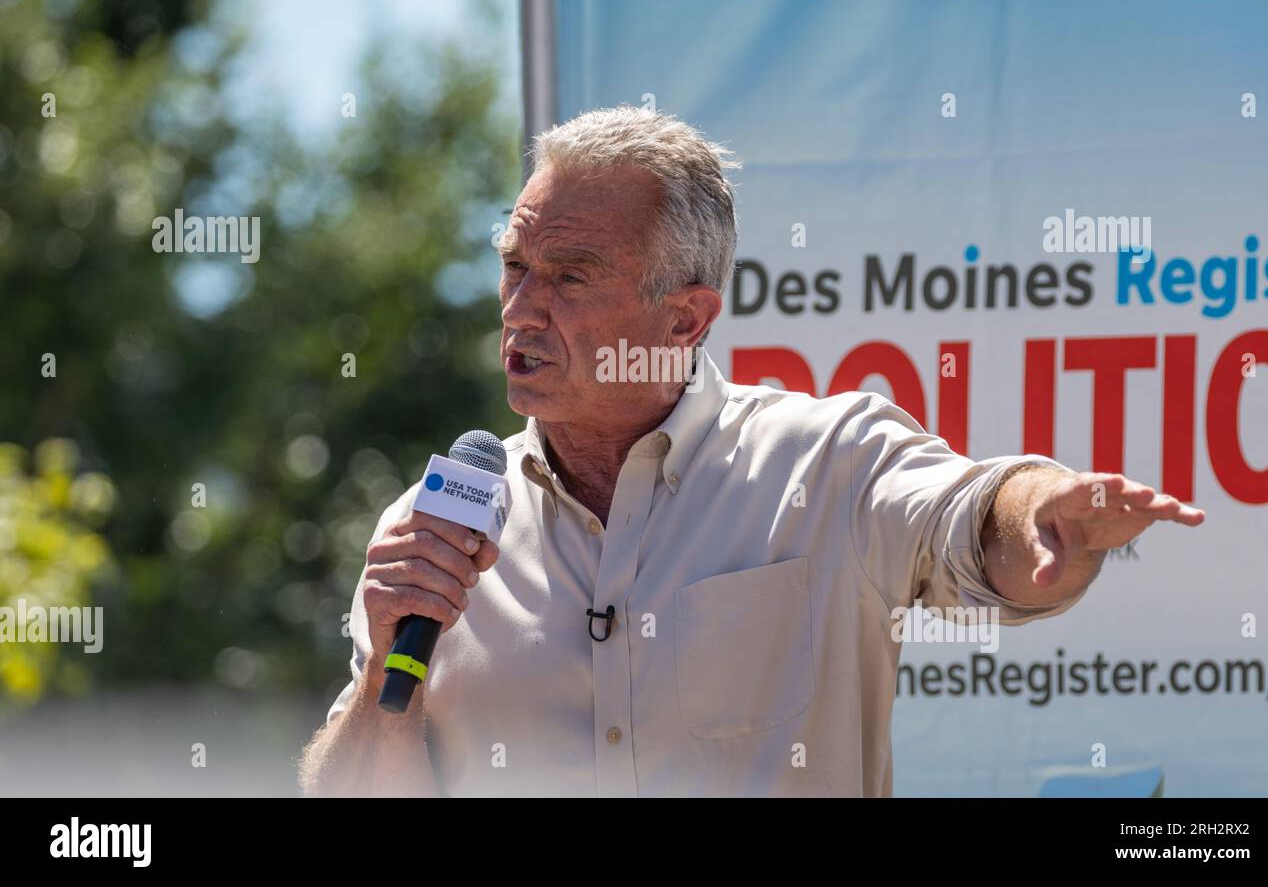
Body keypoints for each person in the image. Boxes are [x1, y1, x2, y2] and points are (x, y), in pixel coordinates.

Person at [298, 106, 1203, 797]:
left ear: (683, 317)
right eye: (513, 265)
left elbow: (968, 515)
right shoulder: (436, 529)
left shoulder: (826, 463)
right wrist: (388, 673)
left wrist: (1040, 510)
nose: (520, 308)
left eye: (569, 276)